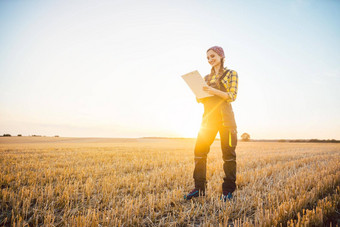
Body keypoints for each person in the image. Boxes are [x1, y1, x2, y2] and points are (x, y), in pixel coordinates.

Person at [184, 46, 238, 201]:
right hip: (208, 120)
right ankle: (199, 188)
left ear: (221, 56)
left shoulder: (231, 74)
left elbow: (232, 95)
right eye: (207, 57)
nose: (210, 60)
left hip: (226, 121)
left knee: (228, 156)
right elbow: (202, 99)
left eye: (212, 56)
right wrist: (199, 95)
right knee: (199, 153)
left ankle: (228, 191)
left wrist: (211, 91)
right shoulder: (206, 78)